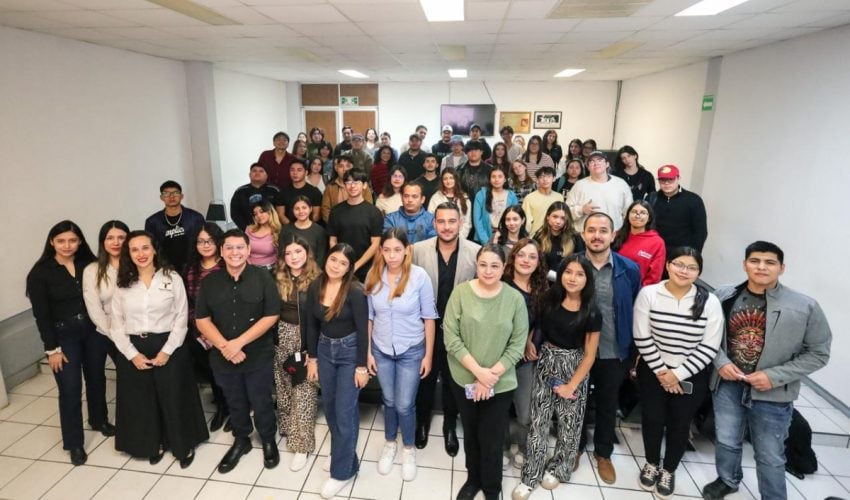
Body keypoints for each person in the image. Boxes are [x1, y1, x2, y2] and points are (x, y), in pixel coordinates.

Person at [701, 241, 832, 500]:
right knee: (727, 438)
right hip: (728, 384)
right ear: (745, 264)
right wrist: (721, 362)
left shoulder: (805, 306)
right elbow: (707, 335)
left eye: (770, 262)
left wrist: (773, 376)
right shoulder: (725, 296)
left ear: (782, 268)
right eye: (755, 261)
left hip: (772, 393)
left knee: (770, 453)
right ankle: (727, 479)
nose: (761, 267)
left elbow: (818, 353)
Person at [110, 230, 208, 468]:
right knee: (143, 399)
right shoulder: (123, 284)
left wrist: (167, 350)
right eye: (134, 249)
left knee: (174, 395)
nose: (141, 254)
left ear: (155, 249)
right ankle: (152, 444)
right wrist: (132, 355)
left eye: (145, 248)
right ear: (128, 254)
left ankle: (182, 446)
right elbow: (116, 325)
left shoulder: (171, 278)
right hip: (135, 346)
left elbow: (181, 318)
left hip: (169, 344)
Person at [633, 247, 723, 499]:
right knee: (652, 419)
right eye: (679, 264)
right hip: (653, 370)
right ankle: (651, 463)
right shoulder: (649, 293)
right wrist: (663, 372)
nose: (684, 271)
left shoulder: (710, 302)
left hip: (691, 375)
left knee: (680, 423)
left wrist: (678, 374)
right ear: (668, 265)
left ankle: (669, 469)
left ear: (699, 272)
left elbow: (710, 346)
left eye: (691, 267)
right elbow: (642, 335)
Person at [511, 255, 601, 499]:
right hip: (545, 360)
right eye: (568, 272)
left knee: (569, 424)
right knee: (538, 422)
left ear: (587, 279)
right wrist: (530, 341)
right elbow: (537, 324)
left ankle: (560, 467)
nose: (572, 278)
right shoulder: (550, 298)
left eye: (579, 274)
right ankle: (531, 474)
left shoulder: (592, 312)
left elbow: (590, 355)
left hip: (574, 366)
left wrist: (572, 385)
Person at [443, 244, 528, 500]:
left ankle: (492, 487)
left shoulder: (514, 299)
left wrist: (490, 376)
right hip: (464, 377)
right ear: (476, 265)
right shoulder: (460, 293)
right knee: (470, 432)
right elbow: (451, 337)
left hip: (499, 383)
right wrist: (479, 373)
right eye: (483, 265)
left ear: (504, 268)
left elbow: (517, 345)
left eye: (495, 266)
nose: (488, 271)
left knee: (491, 437)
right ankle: (473, 479)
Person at [26, 220, 113, 466]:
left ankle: (99, 420)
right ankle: (74, 443)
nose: (67, 245)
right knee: (70, 388)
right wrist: (51, 349)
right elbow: (41, 316)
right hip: (64, 338)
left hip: (93, 331)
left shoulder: (89, 264)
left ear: (80, 242)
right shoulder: (40, 273)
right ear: (51, 242)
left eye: (72, 240)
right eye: (61, 241)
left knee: (97, 378)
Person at [195, 229, 281, 474]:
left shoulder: (263, 278)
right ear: (221, 252)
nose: (235, 252)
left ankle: (267, 438)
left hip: (258, 354)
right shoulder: (210, 282)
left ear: (249, 250)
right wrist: (226, 346)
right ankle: (241, 440)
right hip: (223, 356)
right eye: (229, 248)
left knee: (261, 400)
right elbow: (202, 320)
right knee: (235, 401)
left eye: (240, 247)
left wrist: (238, 343)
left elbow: (271, 315)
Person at [366, 228, 439, 481]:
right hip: (381, 349)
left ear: (407, 249)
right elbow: (369, 317)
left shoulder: (419, 277)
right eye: (387, 250)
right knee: (388, 400)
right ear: (381, 251)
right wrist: (368, 352)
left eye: (398, 249)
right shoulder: (374, 275)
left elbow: (429, 318)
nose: (392, 255)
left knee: (405, 404)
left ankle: (408, 448)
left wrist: (428, 356)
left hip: (411, 350)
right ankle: (390, 443)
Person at [576, 212, 640, 484]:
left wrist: (634, 353)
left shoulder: (629, 269)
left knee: (606, 403)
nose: (597, 235)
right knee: (576, 402)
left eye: (603, 230)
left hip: (614, 350)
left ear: (613, 235)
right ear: (583, 234)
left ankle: (603, 453)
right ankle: (574, 447)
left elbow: (637, 309)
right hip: (577, 349)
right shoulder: (573, 265)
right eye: (591, 230)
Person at [413, 202, 481, 455]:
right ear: (434, 223)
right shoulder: (418, 250)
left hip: (459, 331)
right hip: (424, 328)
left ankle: (450, 426)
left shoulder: (475, 252)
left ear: (460, 223)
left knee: (454, 382)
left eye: (452, 221)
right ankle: (421, 423)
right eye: (441, 221)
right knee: (425, 379)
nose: (446, 227)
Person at [302, 244, 370, 498]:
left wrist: (362, 366)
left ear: (350, 267)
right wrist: (312, 359)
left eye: (343, 263)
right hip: (324, 350)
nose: (336, 266)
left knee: (343, 412)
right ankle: (345, 456)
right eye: (333, 259)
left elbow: (364, 331)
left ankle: (342, 472)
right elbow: (311, 325)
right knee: (331, 408)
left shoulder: (354, 291)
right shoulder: (315, 286)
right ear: (326, 259)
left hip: (350, 352)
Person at [274, 235, 322, 472]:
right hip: (281, 337)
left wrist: (312, 350)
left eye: (298, 252)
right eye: (289, 253)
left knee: (304, 392)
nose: (294, 257)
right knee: (283, 389)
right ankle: (286, 428)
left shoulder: (318, 279)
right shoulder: (276, 277)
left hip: (307, 340)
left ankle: (302, 445)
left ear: (307, 253)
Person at [501, 239, 548, 469]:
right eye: (522, 255)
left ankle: (521, 446)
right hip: (499, 357)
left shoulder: (542, 288)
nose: (526, 260)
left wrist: (532, 342)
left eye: (532, 256)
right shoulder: (501, 283)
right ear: (513, 257)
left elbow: (541, 321)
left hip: (525, 361)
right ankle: (499, 447)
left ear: (538, 262)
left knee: (525, 411)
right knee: (498, 409)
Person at [183, 222, 229, 432]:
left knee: (227, 369)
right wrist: (201, 328)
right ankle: (222, 405)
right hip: (199, 329)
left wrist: (216, 333)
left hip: (226, 330)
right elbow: (188, 302)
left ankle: (234, 405)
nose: (205, 245)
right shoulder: (191, 269)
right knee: (211, 370)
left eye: (209, 240)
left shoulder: (227, 265)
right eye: (201, 241)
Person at [82, 220, 130, 366]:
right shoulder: (92, 271)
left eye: (121, 238)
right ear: (103, 241)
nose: (116, 242)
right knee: (127, 372)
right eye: (110, 238)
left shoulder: (138, 264)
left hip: (141, 327)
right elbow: (95, 309)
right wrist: (115, 334)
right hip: (111, 331)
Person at [328, 169, 384, 282]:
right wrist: (338, 262)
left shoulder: (374, 212)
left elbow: (376, 244)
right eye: (348, 182)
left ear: (364, 185)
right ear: (344, 185)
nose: (352, 186)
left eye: (356, 182)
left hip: (366, 269)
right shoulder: (336, 211)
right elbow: (333, 240)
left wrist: (356, 265)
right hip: (341, 267)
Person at [144, 180, 205, 274]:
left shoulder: (195, 218)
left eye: (175, 193)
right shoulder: (152, 222)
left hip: (193, 268)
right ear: (161, 197)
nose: (171, 196)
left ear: (182, 196)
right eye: (166, 193)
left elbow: (203, 241)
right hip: (165, 269)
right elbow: (151, 248)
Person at [565, 151, 632, 232]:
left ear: (607, 164)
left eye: (600, 160)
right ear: (588, 167)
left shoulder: (621, 184)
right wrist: (581, 209)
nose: (596, 163)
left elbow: (629, 213)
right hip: (584, 237)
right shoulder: (579, 185)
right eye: (592, 161)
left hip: (613, 236)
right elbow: (565, 212)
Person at [650, 164, 708, 253]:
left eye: (670, 179)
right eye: (662, 180)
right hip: (654, 250)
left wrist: (692, 254)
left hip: (681, 253)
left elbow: (701, 232)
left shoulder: (693, 200)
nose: (666, 183)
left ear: (678, 178)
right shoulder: (651, 198)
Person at [613, 200, 666, 286]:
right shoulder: (616, 236)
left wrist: (640, 293)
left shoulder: (657, 243)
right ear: (627, 216)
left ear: (649, 218)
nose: (638, 215)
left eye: (643, 213)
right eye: (634, 212)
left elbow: (654, 276)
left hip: (638, 292)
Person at [533, 201, 584, 275]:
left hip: (567, 281)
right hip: (543, 281)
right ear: (548, 217)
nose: (558, 221)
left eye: (563, 218)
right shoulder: (539, 236)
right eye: (555, 216)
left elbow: (581, 263)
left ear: (567, 220)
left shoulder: (575, 237)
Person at [321, 155, 375, 223]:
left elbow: (369, 208)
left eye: (348, 166)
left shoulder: (362, 185)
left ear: (353, 167)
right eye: (341, 166)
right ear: (336, 168)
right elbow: (325, 209)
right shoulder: (330, 187)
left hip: (360, 225)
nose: (345, 169)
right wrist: (334, 225)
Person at [280, 195, 329, 267]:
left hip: (313, 273)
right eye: (297, 209)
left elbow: (321, 258)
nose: (301, 211)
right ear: (292, 211)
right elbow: (281, 254)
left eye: (304, 208)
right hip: (290, 272)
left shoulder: (320, 231)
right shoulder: (286, 230)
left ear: (310, 209)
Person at [230, 163, 281, 231]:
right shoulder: (240, 191)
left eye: (261, 171)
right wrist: (246, 228)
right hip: (248, 231)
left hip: (272, 230)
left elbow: (280, 212)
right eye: (254, 171)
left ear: (266, 175)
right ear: (250, 175)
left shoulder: (274, 190)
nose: (257, 173)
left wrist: (273, 228)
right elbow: (235, 213)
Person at [473, 168, 518, 244]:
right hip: (485, 236)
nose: (496, 179)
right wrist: (486, 241)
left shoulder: (512, 196)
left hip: (506, 237)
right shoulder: (481, 194)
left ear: (505, 179)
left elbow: (515, 218)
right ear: (489, 179)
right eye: (493, 176)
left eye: (500, 176)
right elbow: (477, 220)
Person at [428, 167, 473, 239]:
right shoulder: (436, 197)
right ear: (442, 181)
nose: (448, 181)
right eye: (445, 179)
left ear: (456, 179)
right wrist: (441, 238)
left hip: (460, 238)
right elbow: (430, 220)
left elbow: (467, 223)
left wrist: (459, 238)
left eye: (451, 178)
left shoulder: (464, 198)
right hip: (439, 238)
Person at [275, 158, 322, 224]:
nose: (295, 173)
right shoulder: (283, 192)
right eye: (292, 170)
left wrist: (305, 226)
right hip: (289, 229)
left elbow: (316, 215)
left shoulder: (315, 192)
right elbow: (281, 215)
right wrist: (293, 227)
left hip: (309, 229)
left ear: (306, 173)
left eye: (299, 170)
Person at [522, 166, 564, 234]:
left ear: (554, 178)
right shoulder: (529, 198)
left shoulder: (559, 197)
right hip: (535, 236)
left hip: (555, 236)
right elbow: (526, 221)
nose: (545, 179)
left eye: (548, 176)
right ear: (537, 180)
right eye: (541, 177)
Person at [247, 201, 281, 272]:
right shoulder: (249, 229)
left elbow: (280, 256)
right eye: (255, 214)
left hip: (271, 270)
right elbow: (243, 250)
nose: (258, 215)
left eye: (262, 212)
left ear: (270, 212)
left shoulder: (277, 231)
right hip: (250, 268)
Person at [458, 140, 492, 207]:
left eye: (476, 150)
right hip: (464, 206)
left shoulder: (490, 170)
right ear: (466, 153)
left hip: (484, 206)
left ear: (481, 152)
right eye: (470, 150)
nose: (473, 153)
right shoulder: (459, 170)